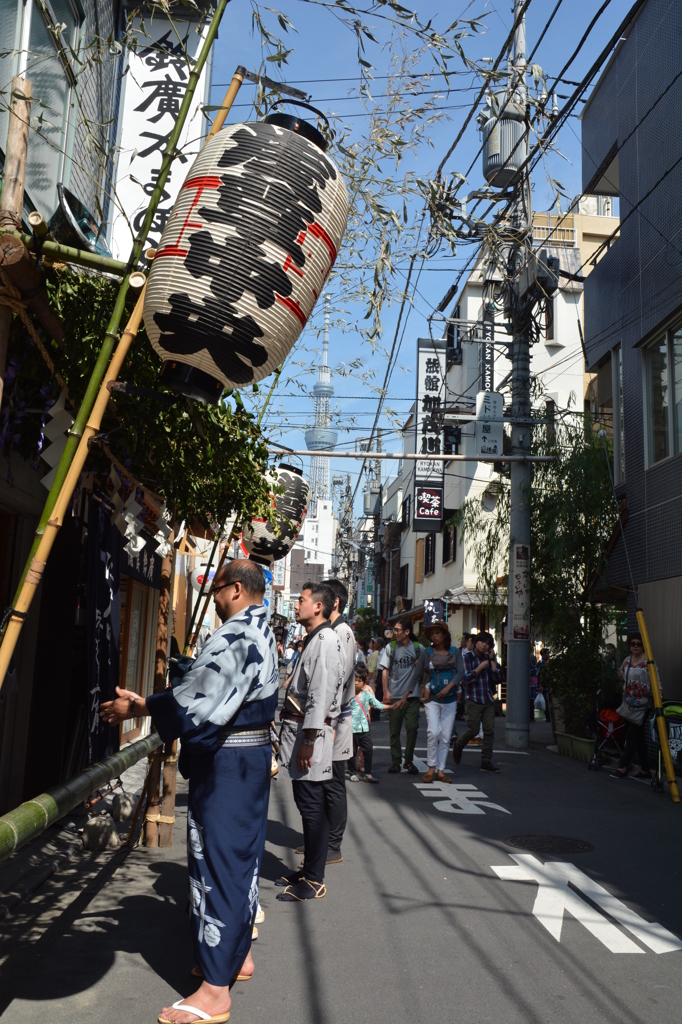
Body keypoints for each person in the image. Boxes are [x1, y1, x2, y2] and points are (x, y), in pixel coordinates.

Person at [100, 560, 278, 1024]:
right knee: (239, 863)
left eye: (215, 588)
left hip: (231, 766)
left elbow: (196, 702)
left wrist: (137, 704)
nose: (213, 596)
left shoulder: (239, 634)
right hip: (245, 761)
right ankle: (235, 960)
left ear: (236, 589)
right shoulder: (261, 625)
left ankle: (215, 991)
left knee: (221, 864)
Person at [276, 581, 344, 901]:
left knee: (312, 806)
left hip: (309, 733)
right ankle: (309, 870)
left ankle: (315, 879)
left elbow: (320, 694)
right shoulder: (315, 638)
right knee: (307, 805)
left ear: (318, 606)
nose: (297, 604)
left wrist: (309, 739)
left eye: (301, 600)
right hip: (301, 730)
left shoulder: (327, 639)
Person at [323, 577, 356, 864]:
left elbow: (340, 677)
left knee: (334, 782)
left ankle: (333, 844)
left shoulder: (343, 632)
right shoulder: (329, 631)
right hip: (326, 719)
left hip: (336, 719)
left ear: (334, 602)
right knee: (322, 782)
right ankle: (323, 840)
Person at [378, 617, 429, 774]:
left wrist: (423, 688)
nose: (395, 633)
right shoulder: (390, 648)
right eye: (394, 630)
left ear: (407, 632)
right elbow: (385, 669)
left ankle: (408, 760)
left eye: (397, 630)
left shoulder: (419, 648)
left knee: (412, 728)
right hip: (394, 695)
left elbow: (428, 670)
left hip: (412, 696)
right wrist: (386, 691)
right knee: (394, 730)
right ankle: (395, 761)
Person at [421, 620, 464, 783]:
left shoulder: (455, 652)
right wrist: (408, 694)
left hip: (450, 698)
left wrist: (449, 688)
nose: (434, 636)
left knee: (445, 736)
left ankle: (440, 770)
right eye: (432, 633)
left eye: (437, 633)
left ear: (445, 635)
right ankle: (431, 767)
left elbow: (461, 672)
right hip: (432, 698)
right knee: (433, 732)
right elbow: (421, 672)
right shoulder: (427, 651)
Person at [452, 631, 502, 773]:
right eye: (482, 642)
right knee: (473, 730)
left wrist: (492, 661)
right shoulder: (467, 657)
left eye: (487, 644)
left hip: (487, 699)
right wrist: (479, 668)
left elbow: (498, 677)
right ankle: (458, 745)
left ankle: (486, 761)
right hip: (473, 699)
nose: (484, 645)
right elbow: (466, 678)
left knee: (489, 731)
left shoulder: (488, 659)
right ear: (475, 643)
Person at [610, 633, 655, 780]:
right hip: (629, 703)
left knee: (632, 734)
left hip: (643, 705)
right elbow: (621, 673)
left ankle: (623, 766)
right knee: (639, 737)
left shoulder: (648, 662)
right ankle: (645, 769)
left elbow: (657, 680)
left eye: (639, 644)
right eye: (632, 644)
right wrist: (627, 686)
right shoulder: (627, 661)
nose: (635, 646)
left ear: (643, 646)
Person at [348, 664, 389, 782]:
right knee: (352, 751)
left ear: (364, 682)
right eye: (354, 680)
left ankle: (367, 773)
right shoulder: (347, 695)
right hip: (351, 728)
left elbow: (378, 705)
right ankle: (352, 772)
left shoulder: (367, 694)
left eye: (359, 681)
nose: (356, 683)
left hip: (364, 728)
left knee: (368, 749)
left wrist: (392, 706)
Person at [536, 648, 551, 722]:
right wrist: (540, 685)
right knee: (546, 700)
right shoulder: (542, 663)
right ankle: (548, 717)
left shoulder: (545, 663)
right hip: (543, 685)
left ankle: (548, 717)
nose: (548, 655)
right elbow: (540, 674)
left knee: (546, 700)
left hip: (545, 684)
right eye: (547, 653)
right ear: (544, 654)